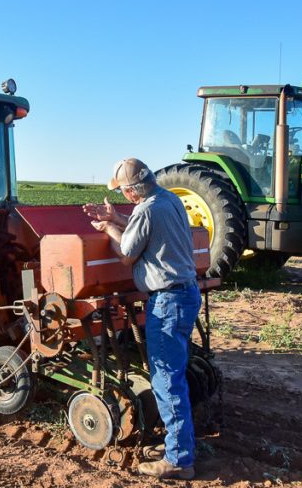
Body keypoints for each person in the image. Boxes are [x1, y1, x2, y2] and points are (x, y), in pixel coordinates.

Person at [83, 157, 200, 480]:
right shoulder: (168, 199)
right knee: (173, 374)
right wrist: (116, 217)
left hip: (167, 301)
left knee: (166, 379)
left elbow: (127, 254)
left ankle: (179, 460)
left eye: (122, 191)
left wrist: (107, 227)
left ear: (133, 191)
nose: (122, 196)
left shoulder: (146, 209)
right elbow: (142, 229)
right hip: (186, 293)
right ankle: (180, 445)